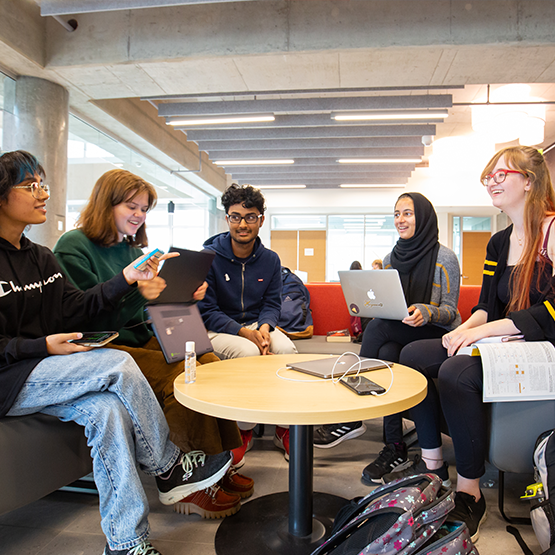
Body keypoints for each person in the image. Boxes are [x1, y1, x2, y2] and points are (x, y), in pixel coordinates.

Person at [0, 151, 233, 555]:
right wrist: (40, 346)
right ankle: (169, 466)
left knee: (108, 411)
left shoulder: (40, 258)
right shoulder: (68, 247)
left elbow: (77, 308)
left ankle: (127, 543)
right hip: (10, 376)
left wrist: (127, 278)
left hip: (43, 370)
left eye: (43, 184)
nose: (43, 194)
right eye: (31, 185)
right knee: (119, 363)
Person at [53, 169, 252, 519]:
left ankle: (218, 468)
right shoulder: (74, 246)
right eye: (131, 206)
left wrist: (180, 291)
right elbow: (87, 322)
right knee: (180, 374)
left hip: (137, 337)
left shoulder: (130, 248)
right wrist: (139, 293)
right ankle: (184, 480)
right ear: (106, 205)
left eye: (144, 209)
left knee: (209, 363)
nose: (139, 215)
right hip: (100, 347)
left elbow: (144, 308)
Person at [385, 146, 555, 543]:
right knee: (414, 355)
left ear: (528, 181)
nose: (492, 181)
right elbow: (484, 307)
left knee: (456, 370)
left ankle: (469, 491)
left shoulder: (551, 230)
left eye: (501, 174)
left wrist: (481, 332)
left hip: (542, 344)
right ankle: (432, 468)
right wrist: (464, 330)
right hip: (505, 340)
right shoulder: (498, 242)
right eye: (488, 176)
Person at [313, 193, 461, 484]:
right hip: (402, 330)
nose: (400, 220)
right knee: (389, 351)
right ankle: (395, 447)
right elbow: (391, 303)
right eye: (396, 214)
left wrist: (425, 311)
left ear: (424, 217)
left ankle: (354, 413)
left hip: (435, 332)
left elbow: (450, 311)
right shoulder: (393, 256)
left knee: (377, 329)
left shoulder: (446, 258)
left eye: (407, 213)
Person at [197, 183, 297, 459]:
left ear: (261, 220)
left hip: (256, 324)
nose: (243, 224)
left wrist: (264, 328)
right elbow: (206, 310)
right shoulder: (208, 257)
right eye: (235, 216)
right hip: (218, 328)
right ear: (226, 218)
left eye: (250, 217)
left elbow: (272, 304)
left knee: (286, 350)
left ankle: (284, 426)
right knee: (249, 352)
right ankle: (243, 428)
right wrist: (244, 333)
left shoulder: (270, 260)